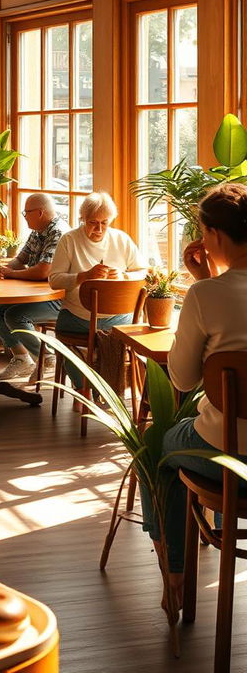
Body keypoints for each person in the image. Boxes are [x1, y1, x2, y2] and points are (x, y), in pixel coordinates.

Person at [140, 182, 247, 608]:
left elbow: (182, 379)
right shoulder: (211, 288)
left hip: (226, 451)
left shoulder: (205, 295)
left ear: (217, 236)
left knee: (155, 447)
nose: (202, 241)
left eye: (203, 232)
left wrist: (203, 285)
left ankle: (177, 579)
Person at [49, 191, 145, 391]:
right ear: (82, 218)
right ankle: (82, 387)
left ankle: (102, 388)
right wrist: (83, 276)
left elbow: (143, 272)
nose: (99, 229)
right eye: (93, 222)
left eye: (105, 223)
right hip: (78, 316)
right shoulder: (69, 240)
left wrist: (123, 275)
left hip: (118, 319)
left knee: (113, 337)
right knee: (67, 342)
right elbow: (54, 280)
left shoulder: (121, 239)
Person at [0, 192, 69, 381]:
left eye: (26, 212)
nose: (24, 216)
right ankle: (22, 358)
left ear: (40, 213)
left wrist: (12, 274)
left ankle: (47, 357)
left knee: (16, 315)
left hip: (59, 299)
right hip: (40, 295)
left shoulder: (58, 232)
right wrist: (1, 270)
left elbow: (43, 271)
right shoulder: (38, 231)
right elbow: (21, 258)